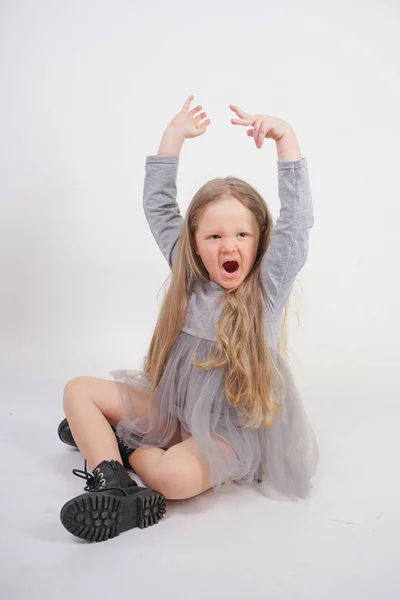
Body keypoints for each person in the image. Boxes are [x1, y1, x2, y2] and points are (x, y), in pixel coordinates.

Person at [58, 95, 319, 543]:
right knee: (77, 391)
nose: (229, 246)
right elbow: (159, 207)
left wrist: (286, 140)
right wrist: (172, 138)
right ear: (194, 244)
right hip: (173, 410)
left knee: (173, 480)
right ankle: (114, 483)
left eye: (242, 234)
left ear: (260, 241)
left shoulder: (267, 289)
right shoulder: (188, 271)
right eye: (214, 236)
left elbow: (299, 221)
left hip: (227, 432)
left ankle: (122, 445)